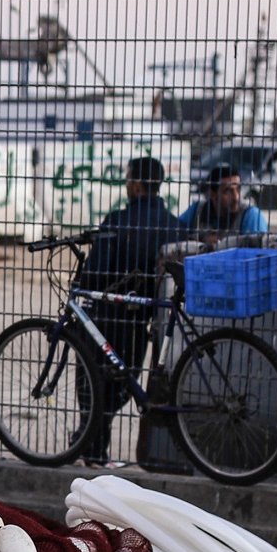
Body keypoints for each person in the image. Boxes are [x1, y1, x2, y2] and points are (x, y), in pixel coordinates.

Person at [77, 156, 182, 465]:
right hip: (142, 323)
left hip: (106, 317)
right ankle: (91, 448)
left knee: (92, 390)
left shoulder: (117, 221)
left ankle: (93, 449)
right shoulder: (175, 226)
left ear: (136, 184)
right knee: (121, 387)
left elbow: (94, 274)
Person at [179, 164, 269, 240]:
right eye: (228, 191)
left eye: (238, 189)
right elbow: (174, 231)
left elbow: (257, 253)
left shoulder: (250, 215)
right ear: (212, 194)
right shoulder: (198, 210)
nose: (236, 197)